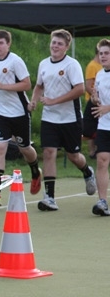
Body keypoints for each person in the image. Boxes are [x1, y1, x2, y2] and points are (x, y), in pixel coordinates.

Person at [28, 29, 96, 211]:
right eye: (53, 42)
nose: (55, 46)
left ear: (66, 47)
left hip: (70, 119)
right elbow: (39, 86)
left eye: (59, 44)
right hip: (49, 118)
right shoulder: (44, 64)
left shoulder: (72, 65)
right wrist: (34, 101)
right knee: (48, 152)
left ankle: (87, 171)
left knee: (73, 156)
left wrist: (54, 101)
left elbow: (80, 89)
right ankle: (49, 198)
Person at [0, 29, 42, 206]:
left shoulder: (15, 61)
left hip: (19, 113)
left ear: (8, 44)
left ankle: (35, 171)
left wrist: (3, 86)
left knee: (25, 148)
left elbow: (27, 84)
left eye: (1, 43)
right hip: (0, 113)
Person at [90, 39, 110, 216]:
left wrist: (107, 107)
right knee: (102, 160)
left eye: (107, 53)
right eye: (101, 53)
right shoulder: (100, 75)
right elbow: (97, 98)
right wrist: (95, 99)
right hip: (104, 125)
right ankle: (102, 201)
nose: (103, 56)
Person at [82, 48, 102, 159]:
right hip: (93, 101)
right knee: (92, 126)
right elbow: (88, 86)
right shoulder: (92, 66)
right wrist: (95, 97)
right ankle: (92, 151)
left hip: (103, 101)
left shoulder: (103, 66)